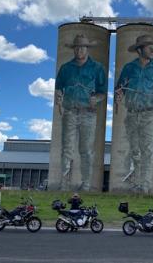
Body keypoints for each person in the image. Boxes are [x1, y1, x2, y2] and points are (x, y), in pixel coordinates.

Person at [115, 35, 153, 193]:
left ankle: (145, 185)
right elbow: (120, 88)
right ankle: (137, 182)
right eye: (149, 46)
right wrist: (119, 94)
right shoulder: (128, 68)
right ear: (140, 50)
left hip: (150, 114)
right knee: (135, 150)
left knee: (147, 150)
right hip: (132, 114)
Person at [55, 34, 107, 191]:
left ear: (87, 49)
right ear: (73, 49)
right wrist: (58, 95)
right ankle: (64, 183)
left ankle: (86, 183)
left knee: (86, 150)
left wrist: (96, 99)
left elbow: (102, 91)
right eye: (76, 47)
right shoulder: (65, 68)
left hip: (88, 113)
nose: (79, 50)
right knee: (67, 148)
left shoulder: (98, 68)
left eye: (82, 47)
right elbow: (59, 87)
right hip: (70, 112)